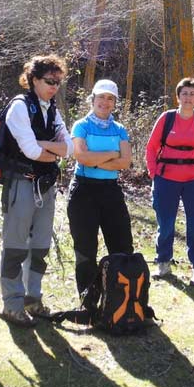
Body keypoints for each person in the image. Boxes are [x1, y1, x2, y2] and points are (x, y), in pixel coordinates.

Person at [0, 54, 73, 327]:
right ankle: (12, 305)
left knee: (40, 246)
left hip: (46, 185)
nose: (54, 87)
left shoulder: (51, 108)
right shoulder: (19, 107)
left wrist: (45, 146)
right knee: (15, 246)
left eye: (58, 82)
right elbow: (30, 151)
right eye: (49, 81)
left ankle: (33, 299)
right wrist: (53, 150)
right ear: (33, 79)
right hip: (21, 182)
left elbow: (70, 149)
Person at [145, 77, 194, 285]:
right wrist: (153, 172)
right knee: (165, 222)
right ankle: (163, 262)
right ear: (178, 97)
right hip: (166, 178)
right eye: (184, 93)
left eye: (192, 94)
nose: (188, 97)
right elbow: (151, 147)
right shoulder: (166, 118)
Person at [67, 79, 133, 295]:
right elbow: (82, 157)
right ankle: (88, 301)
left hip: (110, 191)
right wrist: (113, 154)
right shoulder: (81, 126)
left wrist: (95, 159)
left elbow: (125, 162)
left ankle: (120, 300)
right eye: (101, 97)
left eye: (110, 98)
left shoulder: (120, 130)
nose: (105, 102)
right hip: (83, 191)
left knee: (122, 246)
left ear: (115, 102)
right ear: (93, 99)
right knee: (86, 249)